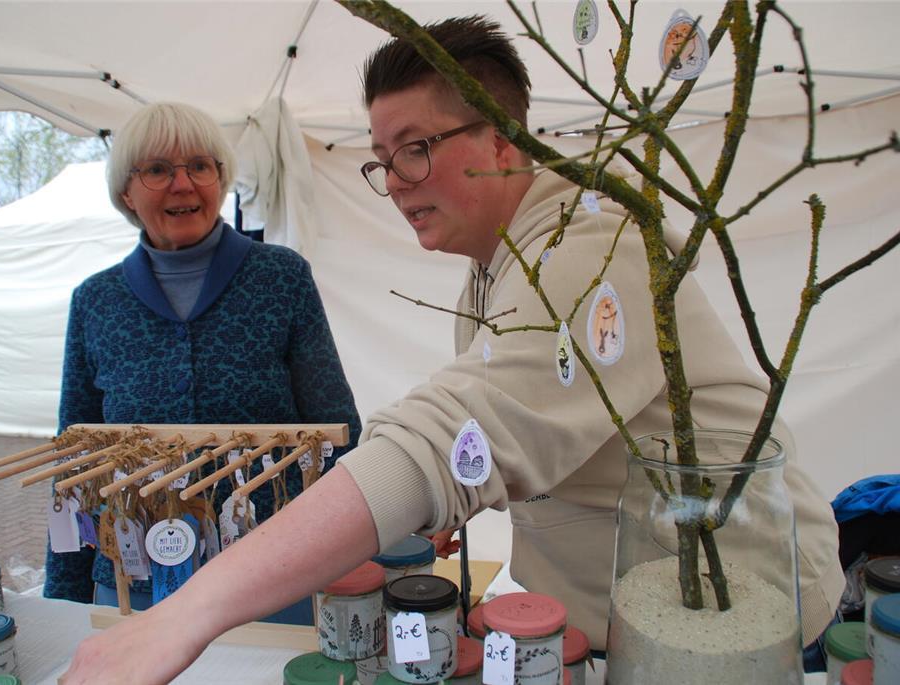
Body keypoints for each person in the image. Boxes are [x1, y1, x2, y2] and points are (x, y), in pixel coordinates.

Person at [61, 18, 844, 683]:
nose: (397, 181)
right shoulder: (496, 266)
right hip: (619, 621)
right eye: (383, 158)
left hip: (728, 619)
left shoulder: (592, 245)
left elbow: (450, 435)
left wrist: (185, 614)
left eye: (416, 148)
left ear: (500, 140)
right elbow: (515, 438)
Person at [43, 102, 362, 614]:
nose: (183, 184)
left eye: (199, 166)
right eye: (157, 170)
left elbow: (337, 429)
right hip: (135, 580)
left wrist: (350, 561)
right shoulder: (96, 302)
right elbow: (75, 458)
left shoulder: (281, 278)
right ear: (126, 192)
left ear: (221, 177)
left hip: (275, 570)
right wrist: (62, 602)